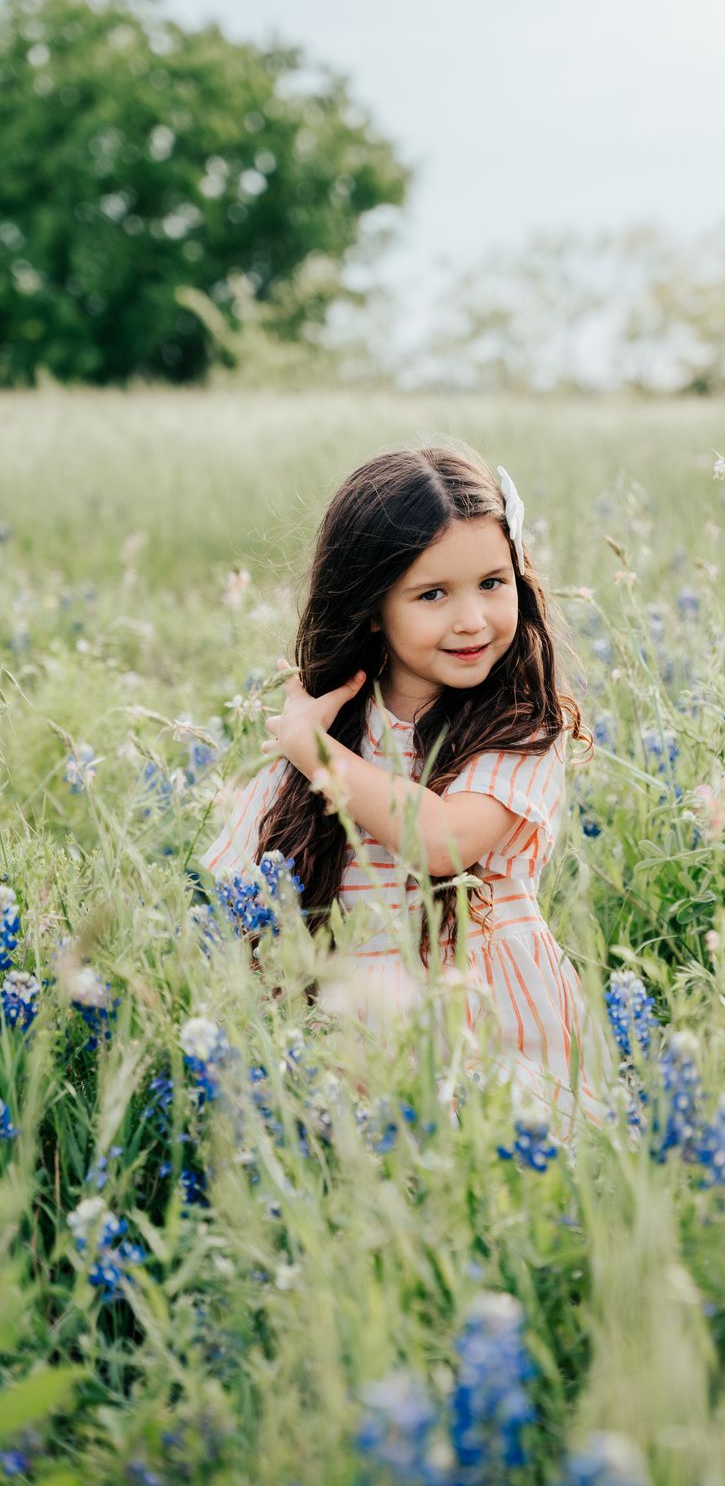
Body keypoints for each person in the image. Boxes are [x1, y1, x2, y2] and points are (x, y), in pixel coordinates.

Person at [198, 442, 612, 1128]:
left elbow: (443, 839)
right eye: (432, 595)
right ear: (370, 607)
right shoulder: (325, 736)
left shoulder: (518, 728)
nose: (473, 619)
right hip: (348, 1036)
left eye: (492, 582)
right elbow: (234, 886)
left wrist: (314, 754)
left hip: (495, 1036)